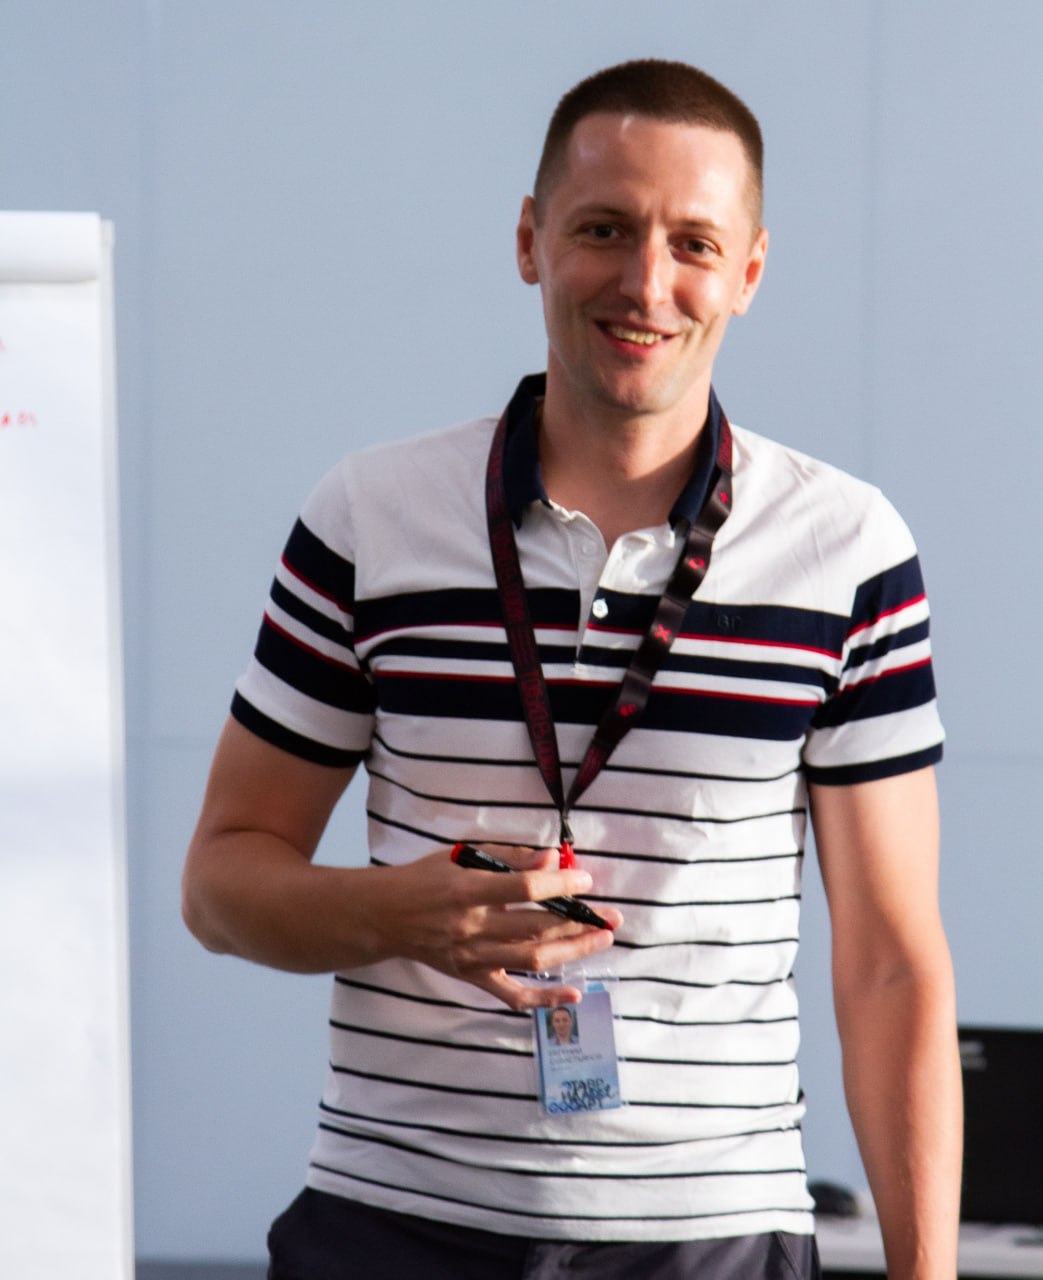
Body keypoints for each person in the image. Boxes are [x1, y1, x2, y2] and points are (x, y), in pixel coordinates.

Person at [182, 58, 961, 1280]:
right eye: (603, 228)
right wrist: (397, 912)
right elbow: (221, 883)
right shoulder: (370, 517)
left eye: (692, 242)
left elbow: (889, 963)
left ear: (749, 272)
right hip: (393, 1228)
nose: (645, 282)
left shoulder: (847, 549)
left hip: (712, 1242)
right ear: (528, 240)